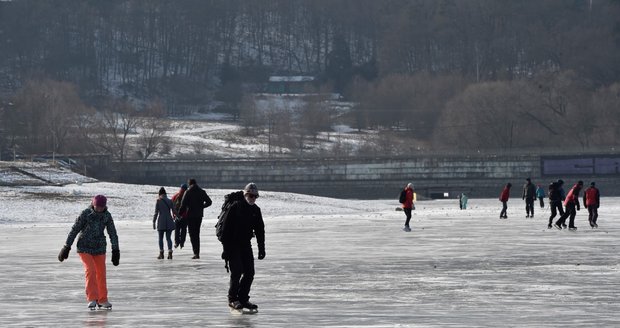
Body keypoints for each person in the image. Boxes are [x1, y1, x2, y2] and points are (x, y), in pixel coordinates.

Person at [58, 195, 120, 310]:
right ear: (93, 204)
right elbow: (75, 229)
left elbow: (112, 233)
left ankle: (102, 300)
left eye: (102, 207)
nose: (99, 209)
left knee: (101, 273)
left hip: (99, 247)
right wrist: (66, 247)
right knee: (90, 270)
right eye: (97, 206)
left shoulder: (107, 215)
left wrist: (116, 250)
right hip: (84, 247)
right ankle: (92, 298)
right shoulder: (86, 214)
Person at [220, 182, 265, 312]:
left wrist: (261, 248)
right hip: (232, 244)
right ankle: (233, 299)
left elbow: (260, 230)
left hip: (246, 244)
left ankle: (243, 298)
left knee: (250, 272)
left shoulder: (256, 210)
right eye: (251, 196)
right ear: (245, 194)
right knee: (237, 271)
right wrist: (226, 249)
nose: (253, 199)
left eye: (255, 196)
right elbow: (225, 230)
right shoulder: (235, 207)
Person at [179, 178, 212, 259]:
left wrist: (179, 214)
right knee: (197, 234)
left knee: (192, 234)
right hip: (199, 215)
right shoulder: (201, 191)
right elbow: (209, 202)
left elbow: (183, 205)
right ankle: (197, 253)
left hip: (190, 216)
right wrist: (202, 207)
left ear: (189, 184)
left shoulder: (188, 192)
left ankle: (196, 253)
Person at [153, 187, 176, 260]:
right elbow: (174, 211)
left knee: (160, 238)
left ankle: (161, 254)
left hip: (161, 222)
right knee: (168, 238)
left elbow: (156, 213)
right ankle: (170, 253)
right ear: (165, 193)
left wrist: (154, 221)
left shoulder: (158, 201)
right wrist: (178, 217)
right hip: (169, 221)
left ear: (159, 194)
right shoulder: (170, 201)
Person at [171, 183, 188, 249]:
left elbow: (172, 206)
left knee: (177, 229)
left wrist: (174, 215)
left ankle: (176, 242)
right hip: (185, 216)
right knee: (184, 229)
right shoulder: (187, 195)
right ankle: (182, 243)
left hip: (177, 216)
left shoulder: (175, 195)